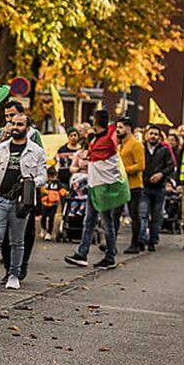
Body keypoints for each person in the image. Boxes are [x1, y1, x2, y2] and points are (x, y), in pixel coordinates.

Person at [0, 114, 46, 291]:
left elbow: (43, 176)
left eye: (20, 124)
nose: (15, 127)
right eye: (13, 123)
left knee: (17, 241)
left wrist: (30, 182)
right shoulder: (0, 148)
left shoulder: (36, 151)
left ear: (28, 128)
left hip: (21, 203)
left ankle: (14, 275)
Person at [63, 110, 123, 270]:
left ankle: (110, 256)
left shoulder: (105, 141)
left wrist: (86, 159)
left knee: (106, 223)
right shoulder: (103, 137)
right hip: (95, 185)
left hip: (103, 187)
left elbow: (93, 156)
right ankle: (82, 255)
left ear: (96, 122)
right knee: (90, 221)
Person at [140, 126, 175, 251]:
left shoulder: (164, 150)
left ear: (159, 137)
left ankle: (153, 240)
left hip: (159, 188)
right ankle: (141, 239)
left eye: (156, 134)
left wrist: (161, 174)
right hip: (144, 187)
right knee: (143, 214)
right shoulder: (141, 149)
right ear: (146, 135)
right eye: (151, 134)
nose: (153, 136)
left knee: (156, 215)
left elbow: (171, 166)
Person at [116, 118, 146, 254]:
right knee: (115, 214)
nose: (117, 130)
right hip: (121, 184)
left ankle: (135, 243)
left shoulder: (136, 145)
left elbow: (141, 165)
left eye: (120, 127)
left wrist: (124, 170)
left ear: (128, 129)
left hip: (134, 185)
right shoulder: (120, 145)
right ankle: (111, 242)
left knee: (134, 214)